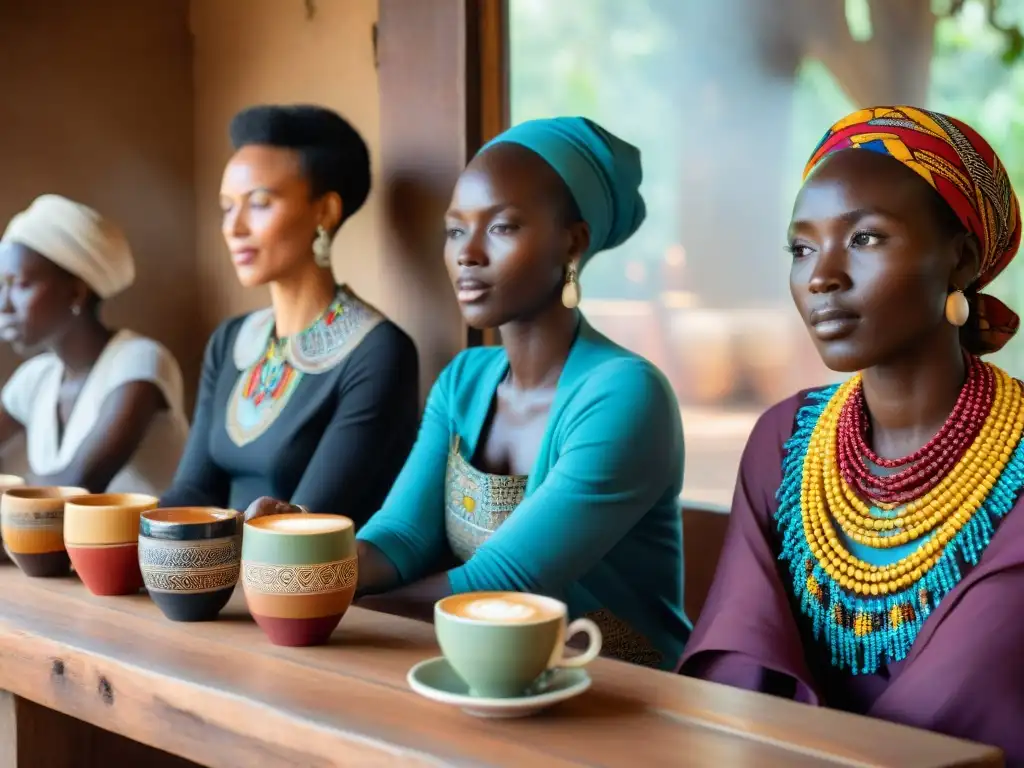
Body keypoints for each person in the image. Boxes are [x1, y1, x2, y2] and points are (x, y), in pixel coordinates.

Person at [248, 116, 691, 669]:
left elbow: (504, 582)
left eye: (501, 228)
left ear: (571, 243)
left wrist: (324, 598)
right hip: (489, 669)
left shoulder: (625, 395)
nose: (467, 254)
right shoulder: (464, 380)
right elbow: (400, 538)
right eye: (456, 230)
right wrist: (306, 556)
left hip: (622, 688)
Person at [679, 106, 1024, 759]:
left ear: (961, 260)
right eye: (802, 248)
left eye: (864, 239)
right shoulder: (784, 443)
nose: (820, 276)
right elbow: (739, 674)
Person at [160, 104, 419, 524]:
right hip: (215, 576)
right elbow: (192, 489)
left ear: (325, 212)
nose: (233, 227)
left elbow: (306, 523)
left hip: (307, 583)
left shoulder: (378, 351)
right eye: (227, 208)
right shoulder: (231, 341)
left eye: (259, 203)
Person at [0, 194, 187, 495]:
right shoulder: (36, 378)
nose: (4, 304)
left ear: (76, 293)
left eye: (20, 284)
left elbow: (79, 484)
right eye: (1, 286)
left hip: (152, 543)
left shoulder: (140, 361)